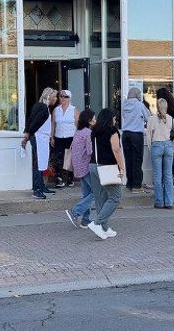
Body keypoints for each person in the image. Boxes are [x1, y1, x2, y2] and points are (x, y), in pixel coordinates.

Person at [85, 107, 125, 240]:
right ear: (110, 118)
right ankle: (97, 223)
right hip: (107, 166)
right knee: (116, 196)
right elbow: (116, 149)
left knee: (100, 197)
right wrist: (122, 167)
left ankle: (104, 228)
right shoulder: (112, 130)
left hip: (93, 165)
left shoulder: (94, 130)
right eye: (114, 117)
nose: (115, 120)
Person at [20, 88, 57, 199]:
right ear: (48, 96)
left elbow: (30, 119)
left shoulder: (40, 106)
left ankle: (41, 186)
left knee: (41, 162)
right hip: (38, 137)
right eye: (54, 96)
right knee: (38, 162)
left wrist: (27, 133)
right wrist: (28, 134)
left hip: (40, 137)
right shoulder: (43, 108)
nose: (55, 99)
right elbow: (34, 123)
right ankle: (37, 189)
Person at [66, 108, 96, 228]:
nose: (95, 120)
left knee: (87, 193)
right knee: (96, 192)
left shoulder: (78, 132)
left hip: (78, 167)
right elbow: (90, 151)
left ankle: (86, 219)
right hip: (86, 166)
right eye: (94, 119)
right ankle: (75, 211)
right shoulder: (88, 133)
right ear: (89, 121)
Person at [146, 96, 174, 208]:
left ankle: (159, 202)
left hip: (156, 145)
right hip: (168, 146)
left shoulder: (151, 119)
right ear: (166, 107)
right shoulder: (171, 119)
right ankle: (169, 202)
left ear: (157, 107)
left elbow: (148, 137)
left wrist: (152, 148)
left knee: (157, 176)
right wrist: (171, 148)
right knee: (168, 175)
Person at [120, 87, 149, 191]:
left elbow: (124, 116)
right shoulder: (139, 104)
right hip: (136, 134)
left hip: (125, 134)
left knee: (128, 159)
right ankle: (137, 185)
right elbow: (147, 117)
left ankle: (129, 183)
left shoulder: (124, 104)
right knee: (137, 160)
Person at [50, 90, 77, 187]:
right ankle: (59, 179)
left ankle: (69, 178)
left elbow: (78, 125)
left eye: (65, 97)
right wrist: (51, 136)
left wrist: (77, 138)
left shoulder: (73, 109)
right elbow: (53, 124)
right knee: (59, 158)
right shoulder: (56, 110)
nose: (63, 98)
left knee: (69, 159)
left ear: (69, 98)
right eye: (61, 96)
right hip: (59, 137)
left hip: (70, 137)